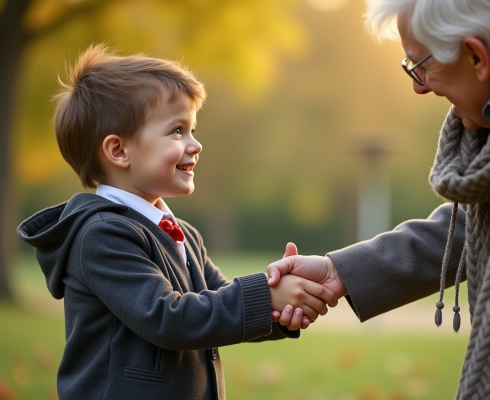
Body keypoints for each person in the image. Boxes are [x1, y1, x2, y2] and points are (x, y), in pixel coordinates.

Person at [267, 0, 490, 399]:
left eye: (419, 64)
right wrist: (340, 272)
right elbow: (482, 224)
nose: (418, 85)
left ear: (476, 55)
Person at [16, 44, 337, 400]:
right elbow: (169, 319)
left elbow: (217, 305)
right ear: (119, 151)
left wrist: (282, 304)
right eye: (177, 131)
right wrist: (266, 295)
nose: (195, 144)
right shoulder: (101, 236)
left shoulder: (184, 235)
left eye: (193, 129)